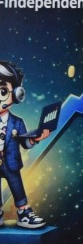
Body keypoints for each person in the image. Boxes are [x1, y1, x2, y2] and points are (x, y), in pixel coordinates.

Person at [0, 60, 48, 229]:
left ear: (17, 94)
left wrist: (34, 139)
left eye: (2, 91)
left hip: (10, 163)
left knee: (17, 187)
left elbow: (25, 142)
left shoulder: (17, 122)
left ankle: (24, 213)